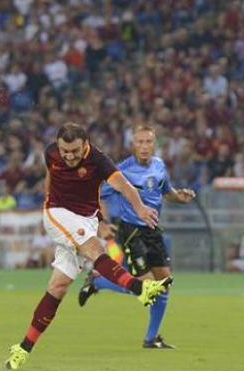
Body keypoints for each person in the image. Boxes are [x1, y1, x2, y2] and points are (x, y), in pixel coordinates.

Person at [5, 122, 172, 370]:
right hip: (58, 213)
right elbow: (50, 175)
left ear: (85, 144)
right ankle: (140, 288)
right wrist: (48, 203)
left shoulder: (98, 160)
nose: (68, 156)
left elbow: (124, 186)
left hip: (85, 220)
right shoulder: (50, 153)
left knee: (58, 287)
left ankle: (23, 348)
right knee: (96, 250)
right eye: (64, 151)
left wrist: (139, 208)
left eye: (74, 150)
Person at [77, 124, 196, 349]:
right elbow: (97, 195)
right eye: (139, 142)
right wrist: (101, 222)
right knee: (146, 287)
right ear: (133, 145)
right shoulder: (122, 171)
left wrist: (180, 197)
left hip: (153, 231)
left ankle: (152, 339)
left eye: (148, 142)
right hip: (131, 231)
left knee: (164, 285)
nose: (144, 146)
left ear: (154, 144)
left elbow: (166, 192)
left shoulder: (160, 166)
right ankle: (98, 282)